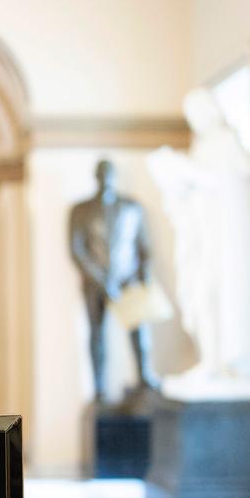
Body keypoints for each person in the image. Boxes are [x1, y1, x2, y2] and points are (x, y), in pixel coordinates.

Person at [147, 87, 250, 391]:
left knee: (223, 295)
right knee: (203, 296)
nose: (195, 121)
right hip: (206, 237)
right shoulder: (202, 148)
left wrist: (191, 174)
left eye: (197, 113)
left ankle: (228, 361)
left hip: (226, 241)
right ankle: (212, 360)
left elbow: (236, 181)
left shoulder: (227, 143)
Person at [69, 159, 160, 403]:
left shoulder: (132, 208)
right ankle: (98, 388)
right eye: (101, 174)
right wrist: (100, 279)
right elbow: (77, 250)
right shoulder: (80, 210)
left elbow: (144, 248)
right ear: (95, 177)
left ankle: (144, 375)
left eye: (108, 174)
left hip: (127, 279)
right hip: (95, 282)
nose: (105, 179)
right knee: (96, 335)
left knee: (138, 331)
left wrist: (144, 279)